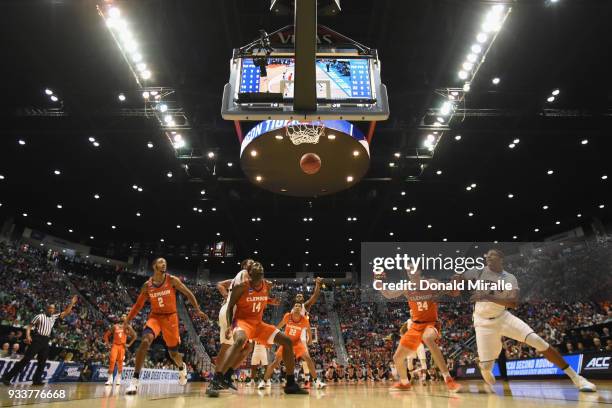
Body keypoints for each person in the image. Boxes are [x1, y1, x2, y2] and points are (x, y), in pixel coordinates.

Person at [455, 249, 596, 392]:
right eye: (487, 256)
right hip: (483, 323)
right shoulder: (478, 271)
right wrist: (456, 284)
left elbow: (513, 303)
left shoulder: (509, 278)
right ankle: (483, 366)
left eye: (492, 255)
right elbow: (458, 277)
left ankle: (577, 379)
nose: (488, 257)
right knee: (487, 370)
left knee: (538, 342)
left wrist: (486, 297)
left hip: (503, 318)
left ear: (501, 258)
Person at [207, 262, 307, 396]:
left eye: (261, 273)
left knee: (287, 341)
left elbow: (260, 299)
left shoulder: (267, 285)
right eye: (256, 273)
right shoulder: (241, 287)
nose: (259, 275)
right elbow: (230, 306)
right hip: (242, 322)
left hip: (258, 325)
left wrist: (271, 300)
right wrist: (230, 326)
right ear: (250, 274)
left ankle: (290, 384)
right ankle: (217, 379)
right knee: (240, 341)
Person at [124, 258, 208, 395]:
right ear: (154, 265)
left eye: (165, 262)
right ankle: (135, 380)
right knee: (145, 341)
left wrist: (197, 309)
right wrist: (127, 320)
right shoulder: (147, 285)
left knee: (173, 353)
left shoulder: (172, 280)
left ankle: (182, 368)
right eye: (161, 262)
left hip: (171, 318)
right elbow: (138, 305)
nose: (164, 264)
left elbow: (188, 293)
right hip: (155, 317)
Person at [381, 266, 461, 392]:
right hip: (415, 326)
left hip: (430, 323)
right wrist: (379, 283)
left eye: (412, 269)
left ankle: (448, 379)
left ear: (419, 271)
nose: (410, 273)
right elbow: (389, 294)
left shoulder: (432, 283)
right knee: (397, 358)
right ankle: (404, 383)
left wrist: (455, 283)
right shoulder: (407, 287)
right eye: (408, 271)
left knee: (427, 338)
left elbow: (454, 293)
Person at [2, 295, 78, 386]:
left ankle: (36, 380)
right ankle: (7, 377)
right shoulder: (39, 316)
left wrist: (72, 303)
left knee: (42, 362)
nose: (51, 310)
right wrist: (28, 336)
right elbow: (29, 327)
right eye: (50, 308)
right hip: (37, 339)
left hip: (46, 340)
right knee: (26, 359)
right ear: (47, 309)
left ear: (54, 310)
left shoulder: (53, 317)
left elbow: (66, 312)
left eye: (53, 308)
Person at [262, 303, 326, 389]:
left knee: (308, 359)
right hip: (287, 342)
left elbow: (309, 330)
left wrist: (310, 339)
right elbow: (279, 326)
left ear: (301, 309)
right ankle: (264, 381)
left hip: (297, 342)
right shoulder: (288, 316)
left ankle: (316, 381)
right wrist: (272, 335)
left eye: (299, 306)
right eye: (295, 305)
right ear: (293, 308)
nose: (297, 307)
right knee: (275, 362)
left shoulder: (304, 320)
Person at [103, 314, 136, 386]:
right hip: (115, 345)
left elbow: (134, 336)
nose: (123, 317)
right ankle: (110, 379)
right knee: (112, 360)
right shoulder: (115, 326)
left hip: (122, 347)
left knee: (120, 362)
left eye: (125, 316)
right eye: (122, 316)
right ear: (120, 318)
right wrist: (108, 344)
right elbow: (106, 335)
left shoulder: (127, 327)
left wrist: (129, 344)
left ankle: (118, 378)